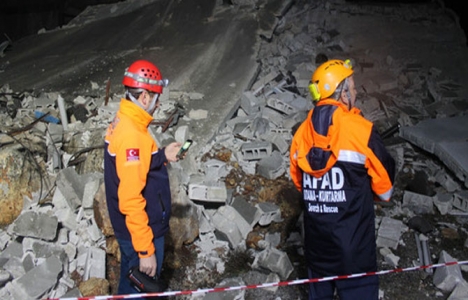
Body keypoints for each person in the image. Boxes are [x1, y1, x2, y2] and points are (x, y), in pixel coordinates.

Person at [289, 59, 395, 300]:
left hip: (317, 251)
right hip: (355, 254)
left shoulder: (300, 134)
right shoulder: (361, 131)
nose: (356, 91)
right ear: (343, 93)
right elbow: (386, 191)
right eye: (353, 86)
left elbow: (300, 185)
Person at [104, 59, 181, 295]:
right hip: (141, 231)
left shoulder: (125, 120)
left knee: (130, 283)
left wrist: (162, 156)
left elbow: (132, 167)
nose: (158, 105)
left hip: (133, 230)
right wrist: (146, 250)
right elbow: (130, 198)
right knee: (142, 287)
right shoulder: (132, 134)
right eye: (157, 98)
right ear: (145, 97)